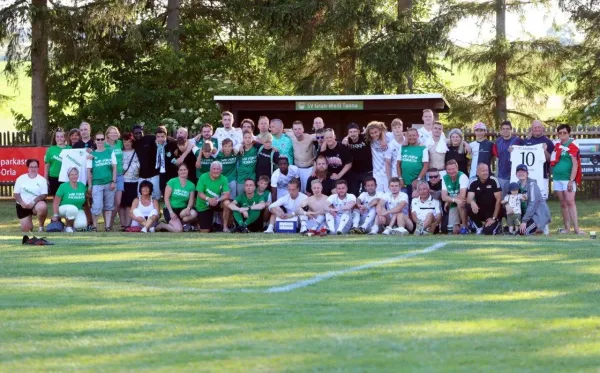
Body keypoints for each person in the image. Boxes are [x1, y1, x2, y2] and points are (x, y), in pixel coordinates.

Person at [551, 124, 583, 235]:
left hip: (567, 179)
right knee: (563, 203)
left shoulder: (573, 145)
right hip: (557, 178)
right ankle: (567, 228)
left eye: (564, 132)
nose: (562, 135)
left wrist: (571, 180)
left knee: (570, 202)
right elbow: (551, 159)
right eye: (560, 133)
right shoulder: (557, 145)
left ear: (569, 133)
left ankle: (577, 229)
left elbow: (575, 164)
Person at [86, 131, 117, 232]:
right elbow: (88, 171)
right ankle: (94, 226)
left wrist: (113, 181)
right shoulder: (91, 155)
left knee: (108, 206)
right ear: (95, 141)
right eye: (98, 139)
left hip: (109, 182)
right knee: (97, 206)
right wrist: (90, 186)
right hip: (97, 184)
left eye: (102, 139)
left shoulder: (110, 152)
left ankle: (107, 226)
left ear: (105, 140)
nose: (100, 141)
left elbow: (114, 168)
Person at [156, 163, 198, 232]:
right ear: (178, 172)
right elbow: (166, 198)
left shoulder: (191, 185)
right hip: (170, 209)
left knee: (194, 213)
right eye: (181, 170)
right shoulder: (172, 182)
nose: (183, 171)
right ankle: (162, 225)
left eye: (184, 169)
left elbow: (191, 200)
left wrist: (188, 208)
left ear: (188, 170)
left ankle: (183, 223)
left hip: (182, 210)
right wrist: (171, 212)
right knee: (178, 230)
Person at [521, 120, 554, 200]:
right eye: (535, 127)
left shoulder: (548, 142)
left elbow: (551, 160)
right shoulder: (525, 141)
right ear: (531, 129)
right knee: (527, 200)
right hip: (528, 176)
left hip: (542, 176)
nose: (537, 129)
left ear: (542, 128)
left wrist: (545, 151)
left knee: (541, 201)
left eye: (539, 127)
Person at [466, 163, 502, 235]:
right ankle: (479, 226)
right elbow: (468, 198)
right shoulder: (473, 182)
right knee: (468, 206)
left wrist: (493, 218)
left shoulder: (494, 180)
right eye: (483, 171)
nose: (486, 173)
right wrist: (472, 202)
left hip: (492, 211)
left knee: (488, 232)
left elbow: (499, 200)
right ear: (477, 172)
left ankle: (497, 224)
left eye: (487, 170)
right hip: (480, 210)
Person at [195, 161, 231, 233]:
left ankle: (225, 227)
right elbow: (199, 193)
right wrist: (209, 199)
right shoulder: (203, 177)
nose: (216, 171)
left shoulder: (224, 178)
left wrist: (217, 200)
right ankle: (198, 222)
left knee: (227, 203)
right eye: (214, 169)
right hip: (204, 204)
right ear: (210, 169)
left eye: (218, 169)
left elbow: (227, 194)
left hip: (216, 201)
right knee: (205, 231)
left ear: (221, 170)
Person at [515, 164, 551, 235]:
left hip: (537, 214)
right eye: (519, 172)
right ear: (516, 174)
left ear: (527, 174)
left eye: (523, 172)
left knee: (522, 232)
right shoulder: (517, 185)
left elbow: (532, 204)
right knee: (516, 231)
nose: (521, 173)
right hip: (526, 215)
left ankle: (542, 225)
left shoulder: (532, 185)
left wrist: (524, 221)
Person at [14, 159, 48, 232]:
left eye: (35, 167)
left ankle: (41, 227)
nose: (33, 169)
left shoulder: (42, 180)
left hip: (36, 204)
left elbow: (44, 195)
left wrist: (33, 202)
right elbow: (16, 194)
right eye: (31, 167)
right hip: (23, 206)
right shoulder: (20, 179)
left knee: (42, 206)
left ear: (38, 168)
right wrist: (22, 203)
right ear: (28, 168)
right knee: (27, 229)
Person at [51, 167, 87, 232]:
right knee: (72, 209)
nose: (74, 176)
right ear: (68, 176)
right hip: (63, 209)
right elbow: (56, 202)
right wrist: (55, 215)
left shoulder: (82, 186)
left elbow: (86, 203)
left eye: (76, 174)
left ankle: (73, 226)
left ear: (78, 175)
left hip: (78, 209)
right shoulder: (63, 186)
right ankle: (68, 227)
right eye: (71, 174)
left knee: (81, 225)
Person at [398, 128, 429, 201]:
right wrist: (400, 178)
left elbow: (426, 165)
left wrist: (418, 179)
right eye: (410, 135)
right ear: (407, 137)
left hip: (416, 183)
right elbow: (398, 164)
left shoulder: (423, 148)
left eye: (414, 135)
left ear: (417, 136)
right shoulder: (402, 148)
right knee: (404, 204)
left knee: (415, 204)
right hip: (404, 183)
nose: (411, 137)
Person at [343, 123, 373, 196]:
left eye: (354, 131)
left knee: (365, 194)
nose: (353, 134)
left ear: (358, 132)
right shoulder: (346, 141)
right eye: (350, 132)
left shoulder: (365, 138)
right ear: (348, 133)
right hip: (354, 173)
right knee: (353, 193)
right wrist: (344, 144)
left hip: (367, 172)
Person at [494, 120, 522, 195]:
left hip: (515, 174)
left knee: (515, 197)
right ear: (501, 130)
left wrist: (515, 149)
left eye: (507, 129)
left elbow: (526, 149)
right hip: (502, 174)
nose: (505, 131)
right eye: (503, 129)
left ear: (511, 129)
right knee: (503, 198)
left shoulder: (517, 140)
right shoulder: (498, 141)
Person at [441, 159, 469, 234]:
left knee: (460, 203)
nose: (451, 171)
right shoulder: (445, 178)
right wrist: (452, 200)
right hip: (454, 202)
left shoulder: (462, 176)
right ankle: (468, 226)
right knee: (454, 230)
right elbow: (443, 197)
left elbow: (463, 196)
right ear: (446, 170)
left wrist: (449, 200)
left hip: (466, 202)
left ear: (457, 168)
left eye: (453, 169)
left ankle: (465, 226)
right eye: (449, 169)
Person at [105, 126, 124, 228]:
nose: (114, 134)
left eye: (115, 133)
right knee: (108, 202)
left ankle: (110, 223)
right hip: (108, 176)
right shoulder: (103, 145)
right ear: (107, 134)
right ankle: (108, 225)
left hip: (120, 175)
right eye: (111, 133)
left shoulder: (120, 144)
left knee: (117, 202)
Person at [364, 121, 391, 193]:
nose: (374, 135)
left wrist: (384, 138)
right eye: (371, 133)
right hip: (377, 173)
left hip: (388, 172)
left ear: (380, 131)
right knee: (378, 195)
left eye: (376, 132)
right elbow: (355, 135)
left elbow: (402, 134)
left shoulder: (389, 136)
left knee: (389, 194)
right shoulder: (369, 140)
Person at [289, 120, 315, 193]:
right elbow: (280, 129)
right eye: (295, 129)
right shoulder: (291, 136)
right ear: (292, 130)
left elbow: (323, 134)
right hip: (297, 170)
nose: (297, 131)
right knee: (298, 191)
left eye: (299, 129)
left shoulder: (310, 137)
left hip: (309, 169)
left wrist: (346, 138)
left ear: (303, 129)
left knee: (309, 191)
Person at [120, 133, 140, 229]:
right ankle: (123, 223)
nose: (127, 144)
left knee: (129, 204)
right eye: (125, 142)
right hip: (121, 180)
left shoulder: (137, 152)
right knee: (121, 204)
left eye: (129, 141)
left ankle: (128, 224)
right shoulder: (119, 152)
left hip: (133, 181)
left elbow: (139, 165)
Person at [44, 128, 71, 196]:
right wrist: (45, 179)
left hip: (66, 177)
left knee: (65, 198)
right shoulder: (50, 149)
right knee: (56, 199)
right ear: (55, 138)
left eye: (61, 136)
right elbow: (47, 165)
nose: (59, 138)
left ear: (64, 138)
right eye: (57, 136)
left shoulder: (70, 149)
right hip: (53, 177)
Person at [237, 130, 258, 196]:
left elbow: (266, 146)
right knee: (240, 200)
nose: (247, 139)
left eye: (249, 137)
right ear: (243, 139)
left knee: (251, 199)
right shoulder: (239, 150)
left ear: (252, 138)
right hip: (241, 178)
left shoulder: (256, 149)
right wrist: (240, 147)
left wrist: (273, 147)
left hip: (252, 178)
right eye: (245, 138)